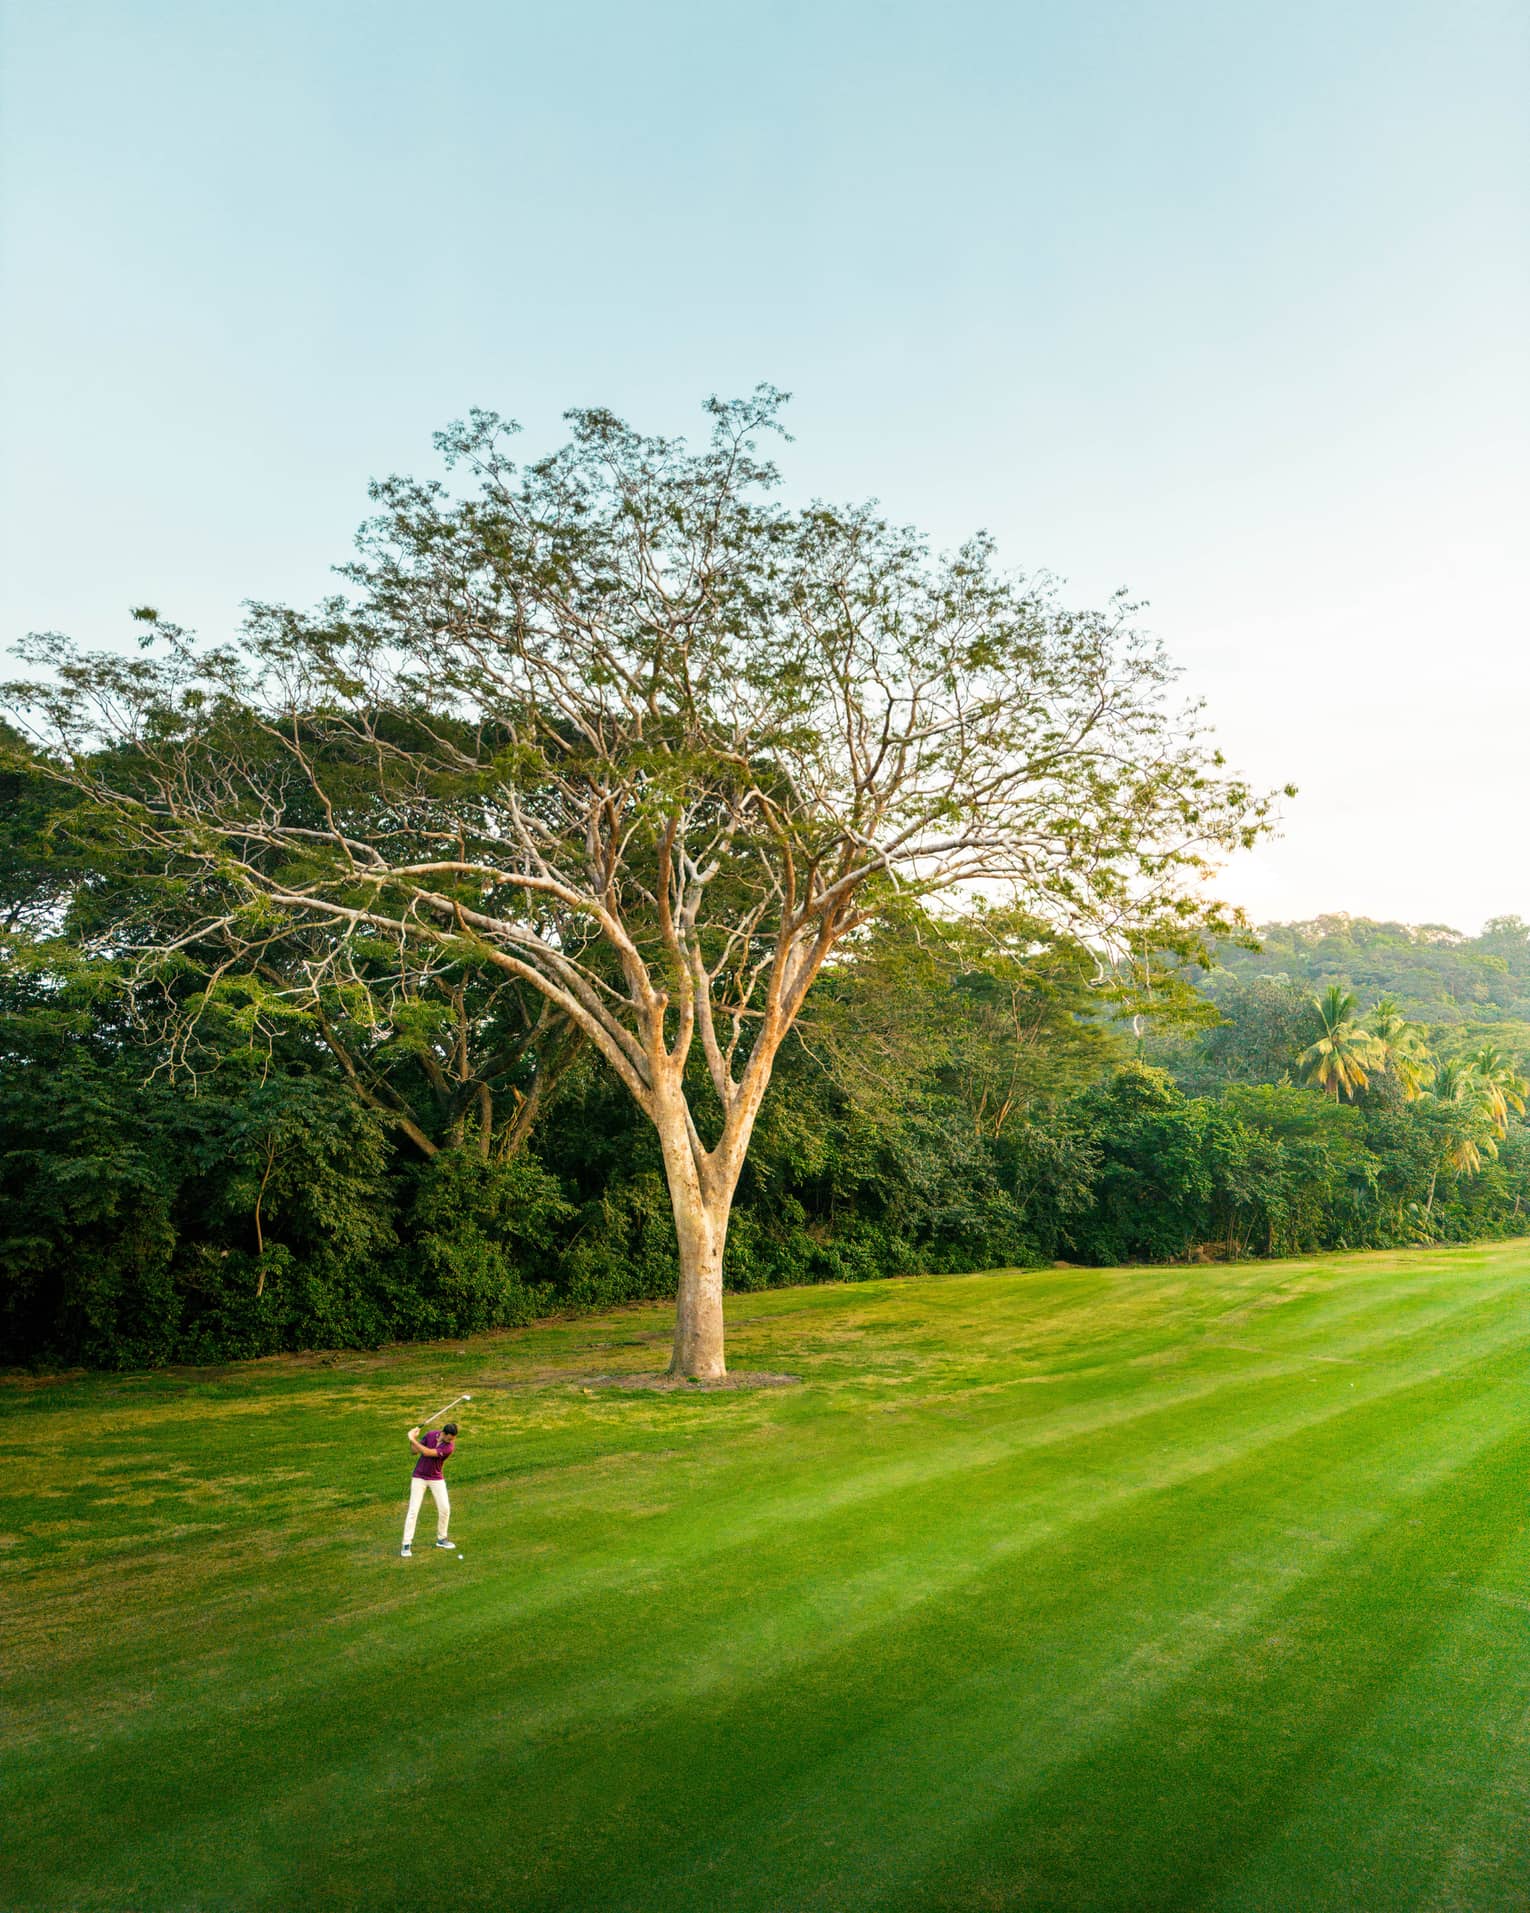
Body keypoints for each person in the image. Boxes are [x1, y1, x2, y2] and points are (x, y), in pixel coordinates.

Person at [401, 1421, 457, 1557]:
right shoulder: (431, 1435)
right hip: (419, 1477)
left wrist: (412, 1438)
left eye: (453, 1439)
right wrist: (413, 1441)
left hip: (436, 1478)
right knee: (413, 1510)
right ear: (443, 1433)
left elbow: (427, 1452)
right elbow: (414, 1451)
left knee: (445, 1508)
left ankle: (442, 1538)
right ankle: (406, 1544)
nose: (451, 1441)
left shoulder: (449, 1447)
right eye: (449, 1438)